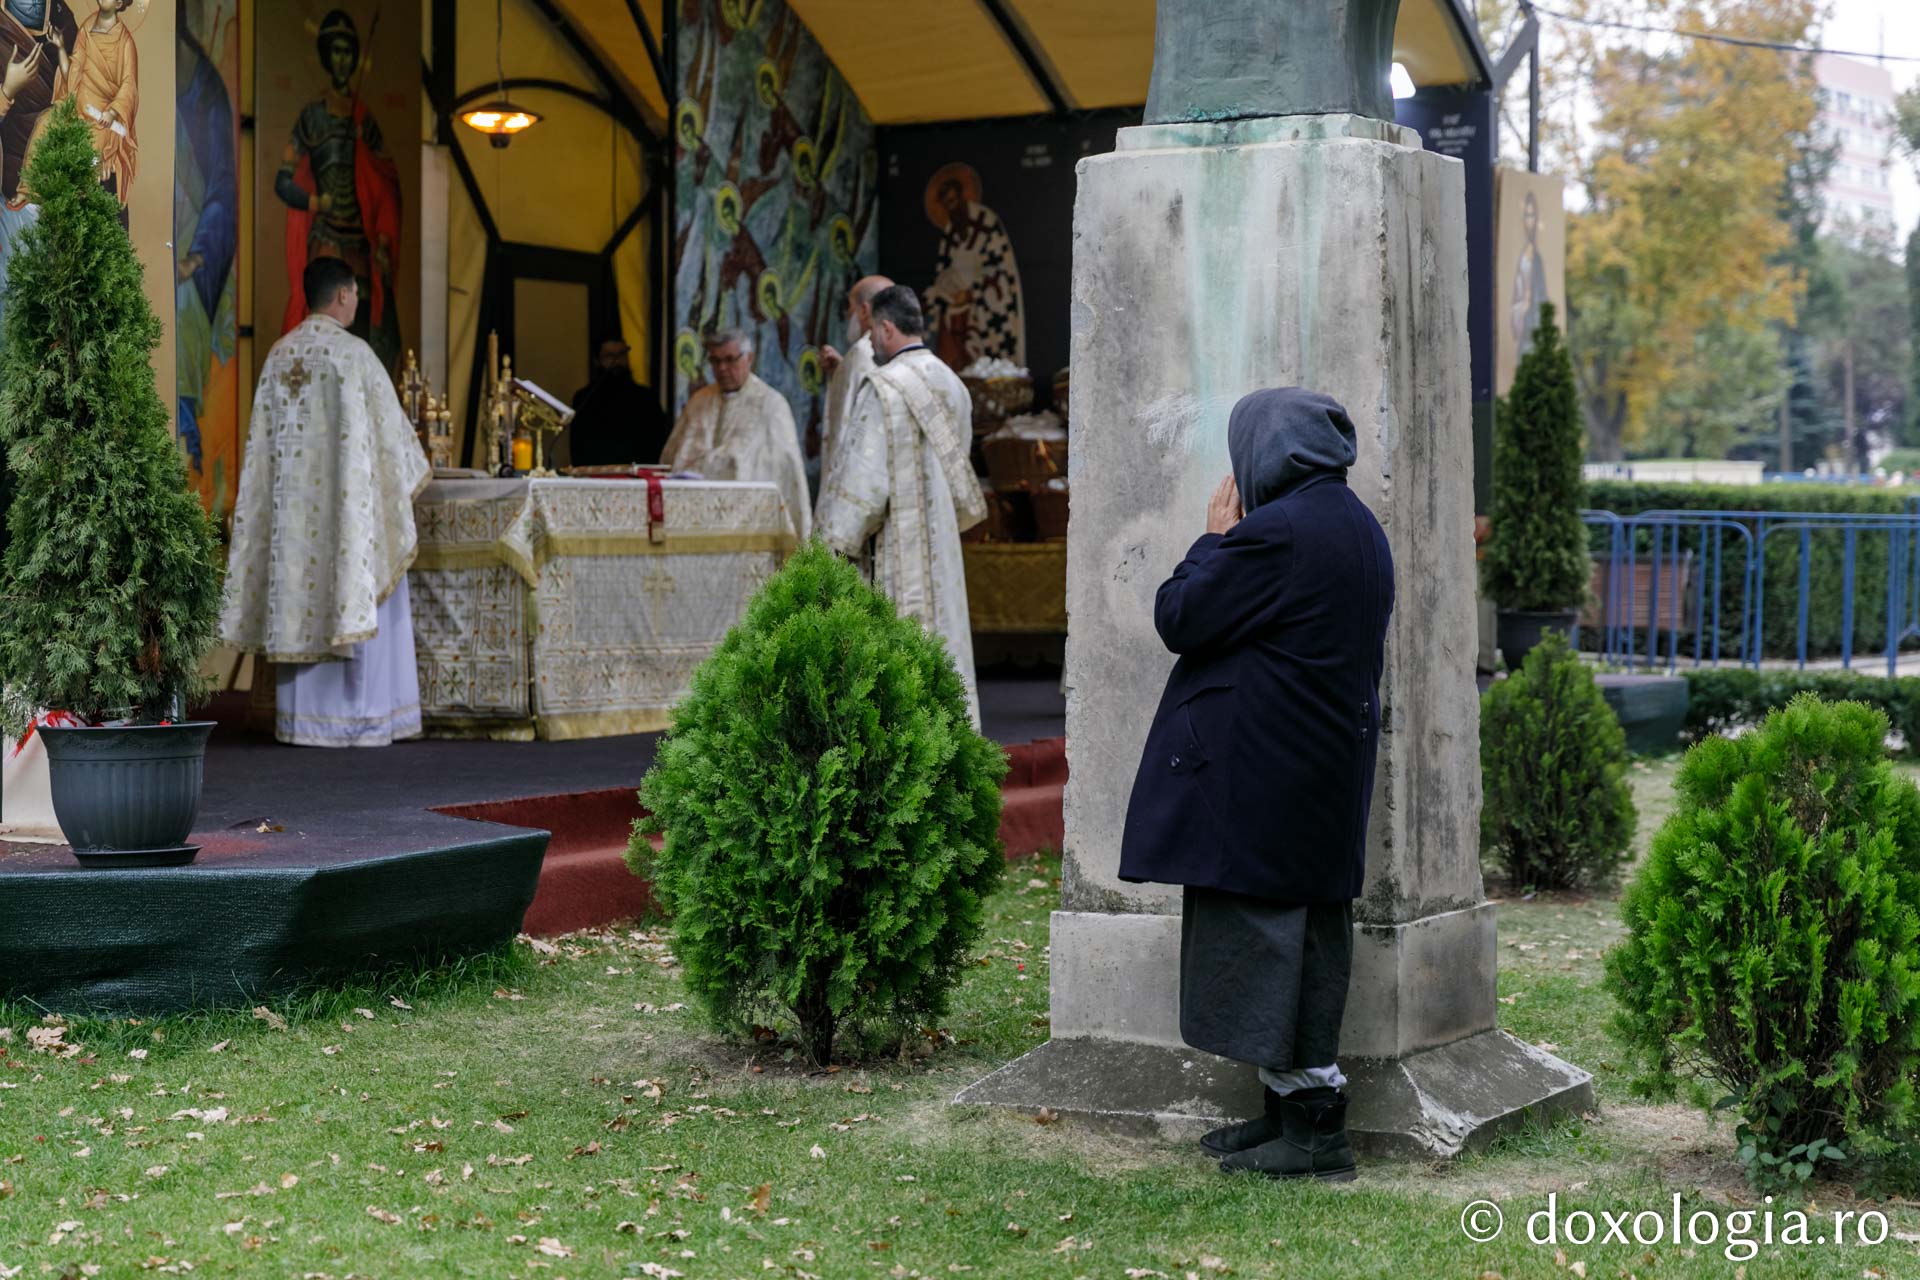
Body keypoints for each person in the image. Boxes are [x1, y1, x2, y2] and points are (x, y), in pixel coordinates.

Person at [1117, 388, 1394, 1182]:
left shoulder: (1276, 533)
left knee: (1270, 938)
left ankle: (1313, 1134)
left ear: (1266, 455)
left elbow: (1183, 615)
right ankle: (1289, 1115)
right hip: (1317, 768)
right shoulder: (1357, 526)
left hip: (1267, 776)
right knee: (1302, 936)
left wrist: (1212, 541)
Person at [219, 256, 429, 748]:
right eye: (355, 293)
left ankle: (301, 722)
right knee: (356, 569)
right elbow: (394, 449)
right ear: (342, 295)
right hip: (342, 523)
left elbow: (260, 458)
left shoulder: (277, 355)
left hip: (291, 530)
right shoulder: (353, 356)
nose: (356, 301)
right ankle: (360, 723)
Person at [816, 285, 987, 726]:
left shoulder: (883, 388)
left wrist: (830, 545)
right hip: (942, 549)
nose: (871, 342)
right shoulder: (954, 384)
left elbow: (863, 488)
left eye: (873, 331)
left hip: (896, 552)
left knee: (897, 667)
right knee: (943, 647)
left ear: (887, 327)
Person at [273, 8, 402, 372]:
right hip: (326, 239)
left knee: (358, 342)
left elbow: (387, 179)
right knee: (320, 338)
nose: (343, 59)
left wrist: (384, 240)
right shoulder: (311, 118)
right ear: (327, 55)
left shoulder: (364, 120)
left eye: (349, 51)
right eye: (336, 50)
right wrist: (315, 201)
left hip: (359, 244)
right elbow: (282, 182)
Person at [661, 328, 811, 541]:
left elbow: (787, 475)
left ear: (749, 358)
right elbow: (671, 461)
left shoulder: (771, 405)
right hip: (692, 525)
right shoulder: (698, 401)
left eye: (730, 360)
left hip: (748, 527)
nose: (722, 368)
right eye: (715, 361)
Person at [816, 273, 891, 506]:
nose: (848, 314)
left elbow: (848, 432)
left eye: (851, 306)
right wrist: (842, 369)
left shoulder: (862, 352)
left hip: (858, 489)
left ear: (864, 310)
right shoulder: (889, 351)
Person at [67, 0, 137, 227]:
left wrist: (114, 110)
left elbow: (129, 85)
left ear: (119, 2)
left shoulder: (125, 41)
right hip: (81, 119)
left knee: (104, 184)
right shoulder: (86, 29)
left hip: (108, 127)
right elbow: (74, 72)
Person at [567, 337, 669, 467]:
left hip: (638, 476)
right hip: (596, 475)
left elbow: (658, 442)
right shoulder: (584, 398)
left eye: (621, 354)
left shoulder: (646, 398)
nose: (617, 361)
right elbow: (578, 446)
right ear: (597, 360)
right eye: (610, 355)